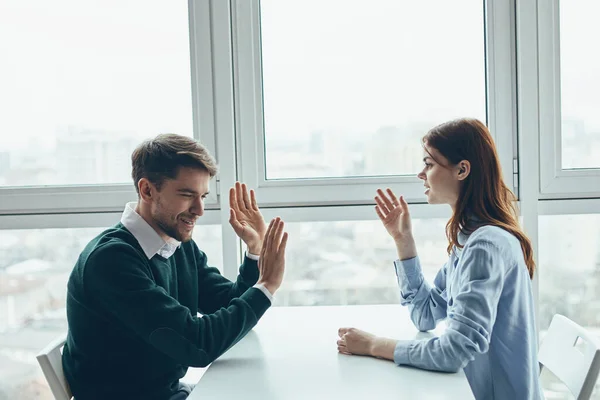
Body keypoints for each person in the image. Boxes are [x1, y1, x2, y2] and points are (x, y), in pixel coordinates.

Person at [62, 134, 288, 400]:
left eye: (203, 195)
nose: (200, 209)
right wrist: (267, 285)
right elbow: (198, 345)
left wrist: (255, 252)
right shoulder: (112, 260)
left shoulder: (173, 242)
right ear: (147, 190)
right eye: (187, 195)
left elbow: (226, 303)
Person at [336, 118, 543, 399]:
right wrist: (403, 241)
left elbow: (454, 352)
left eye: (429, 164)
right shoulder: (467, 239)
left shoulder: (485, 246)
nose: (421, 174)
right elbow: (425, 315)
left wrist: (374, 345)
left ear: (462, 170)